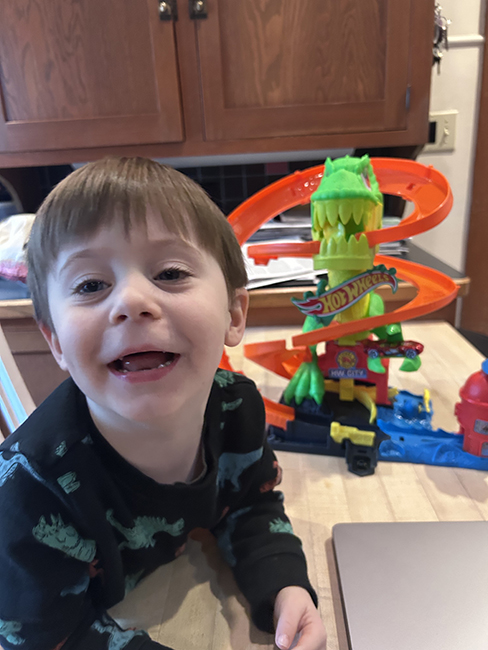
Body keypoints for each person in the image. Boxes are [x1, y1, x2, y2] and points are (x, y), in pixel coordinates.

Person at [0, 157, 327, 650]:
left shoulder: (236, 408)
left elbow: (251, 501)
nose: (132, 301)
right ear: (56, 343)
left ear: (234, 314)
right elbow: (47, 639)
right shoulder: (30, 494)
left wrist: (284, 584)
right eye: (91, 285)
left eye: (170, 273)